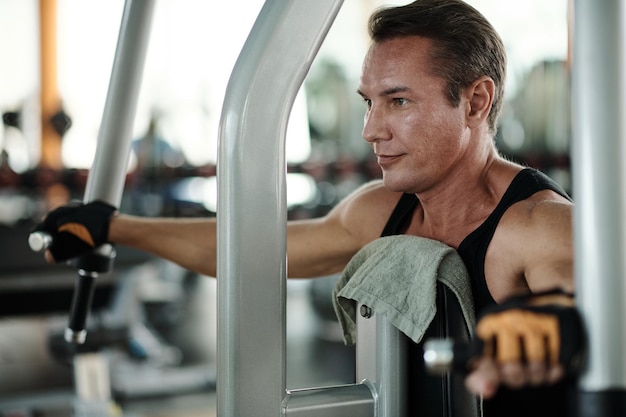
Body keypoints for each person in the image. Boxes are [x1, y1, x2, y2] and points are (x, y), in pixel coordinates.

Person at [34, 0, 581, 415]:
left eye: (399, 101)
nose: (371, 129)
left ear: (475, 102)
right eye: (370, 103)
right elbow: (254, 254)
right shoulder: (382, 210)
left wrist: (562, 323)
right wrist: (113, 227)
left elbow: (589, 306)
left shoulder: (540, 226)